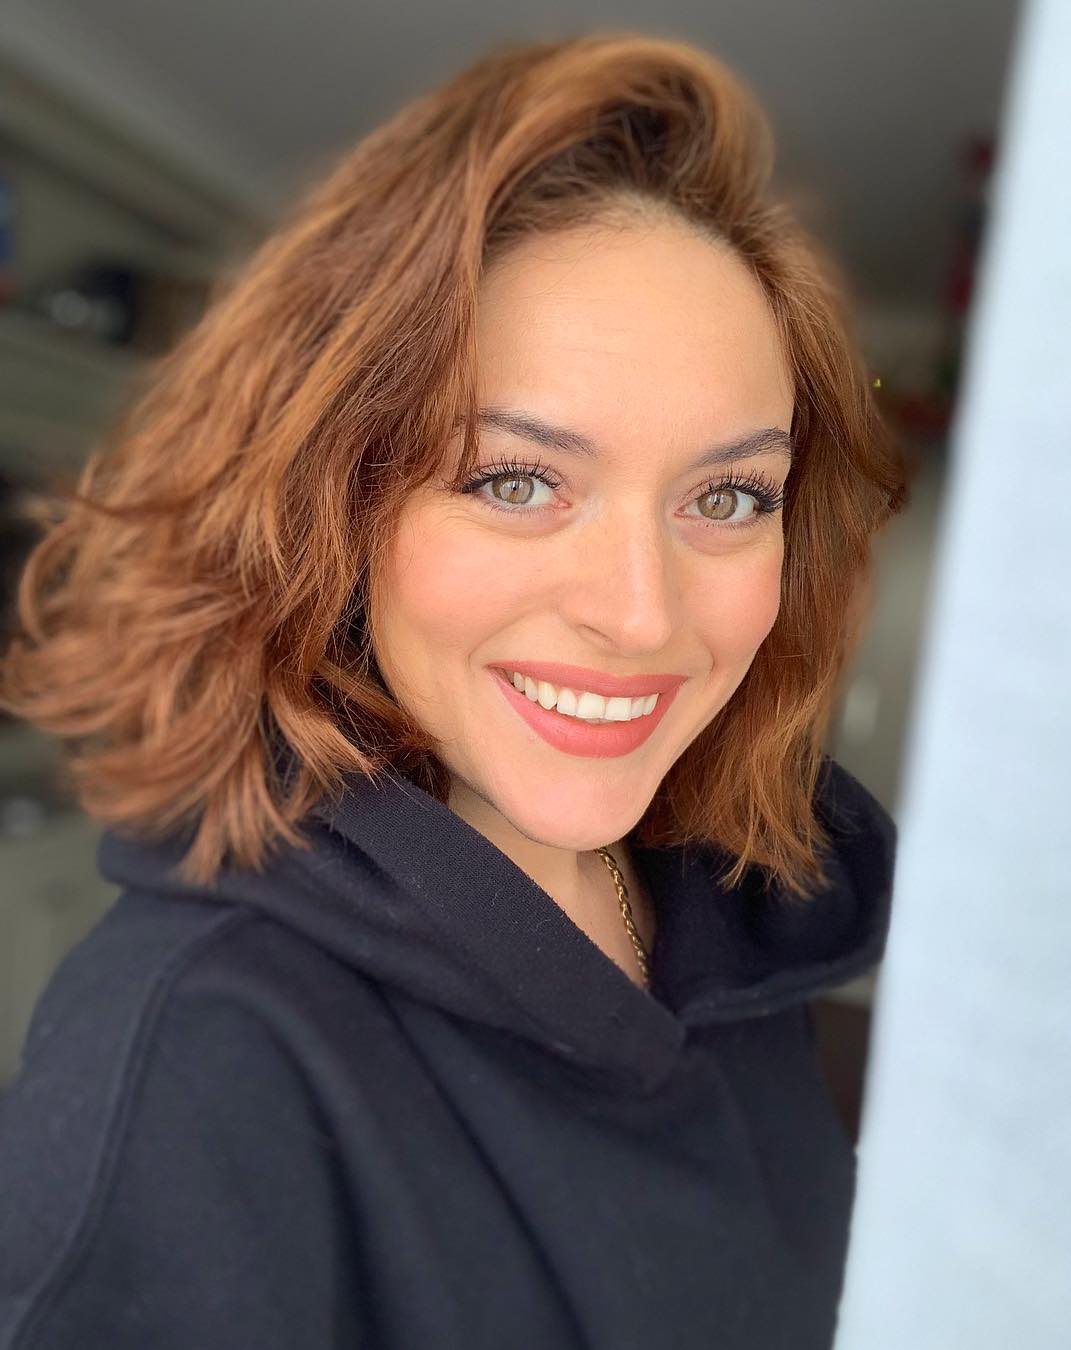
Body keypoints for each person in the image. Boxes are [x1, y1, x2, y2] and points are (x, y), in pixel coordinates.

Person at [0, 30, 908, 1350]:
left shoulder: (727, 898)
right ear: (330, 503)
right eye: (516, 479)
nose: (642, 614)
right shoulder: (194, 1063)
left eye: (726, 496)